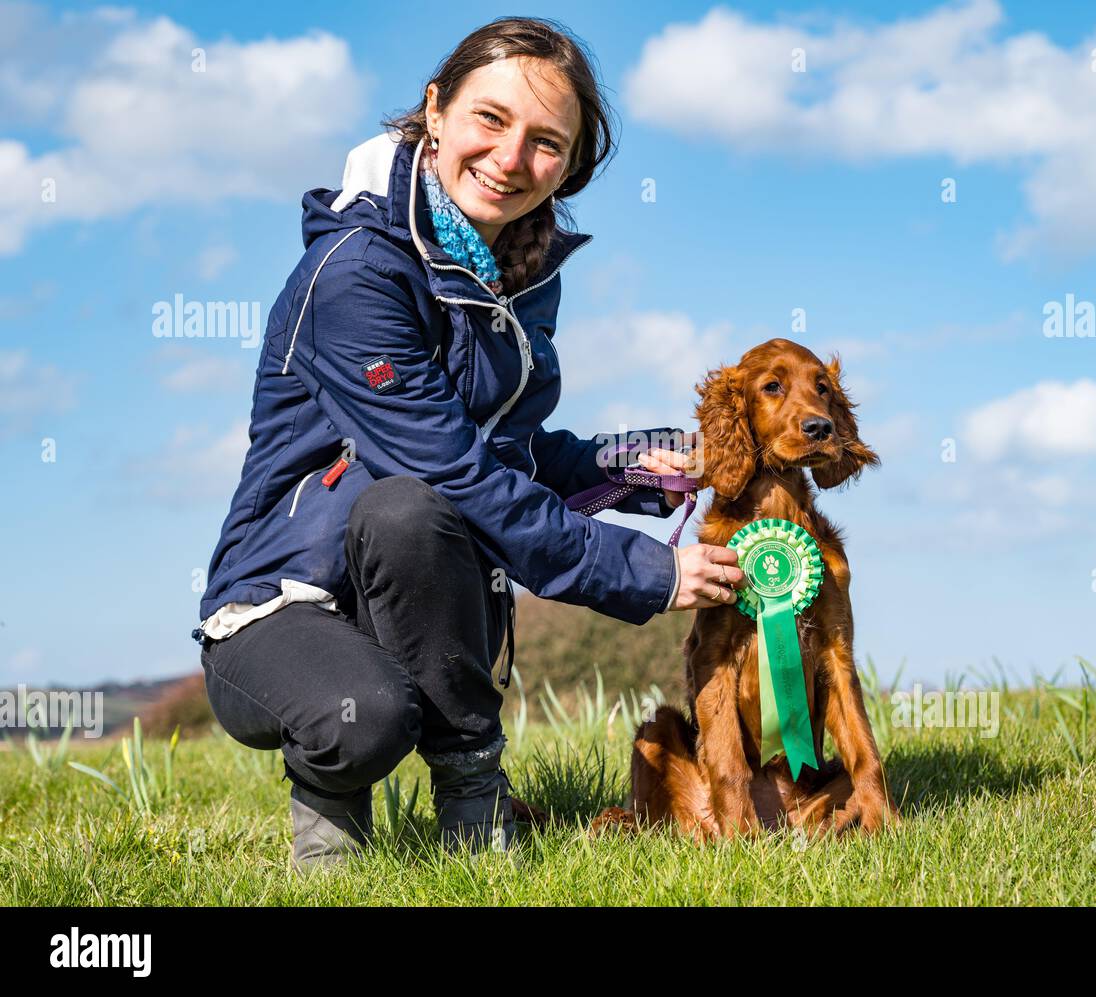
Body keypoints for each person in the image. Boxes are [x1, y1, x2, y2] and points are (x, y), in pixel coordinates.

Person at [191, 16, 747, 872]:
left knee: (412, 513)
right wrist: (649, 572)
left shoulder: (514, 278)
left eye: (545, 142)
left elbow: (511, 455)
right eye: (491, 119)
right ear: (436, 112)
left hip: (421, 598)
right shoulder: (353, 273)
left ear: (568, 165)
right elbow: (459, 472)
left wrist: (642, 464)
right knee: (378, 654)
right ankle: (332, 823)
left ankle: (473, 805)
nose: (511, 157)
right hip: (278, 610)